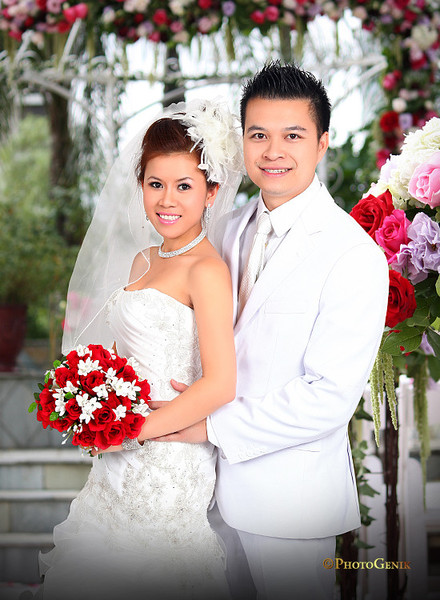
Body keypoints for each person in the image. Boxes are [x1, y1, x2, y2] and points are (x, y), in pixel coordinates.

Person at [151, 62, 390, 599]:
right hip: (203, 491)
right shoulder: (225, 229)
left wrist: (210, 426)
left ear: (322, 142)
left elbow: (328, 398)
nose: (273, 151)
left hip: (290, 503)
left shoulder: (352, 254)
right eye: (258, 135)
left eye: (293, 136)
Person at [36, 99, 244, 600]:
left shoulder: (207, 271)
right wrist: (93, 406)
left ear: (212, 192)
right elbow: (121, 360)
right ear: (141, 186)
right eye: (155, 184)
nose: (167, 200)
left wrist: (133, 432)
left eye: (184, 186)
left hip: (168, 457)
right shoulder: (143, 260)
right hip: (117, 456)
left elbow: (221, 383)